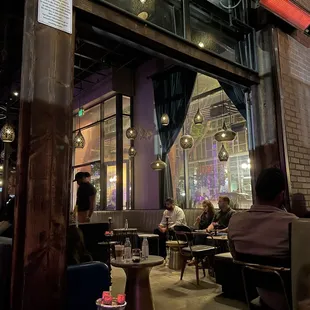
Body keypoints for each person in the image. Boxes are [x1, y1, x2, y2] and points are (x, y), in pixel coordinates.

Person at [228, 168, 298, 310]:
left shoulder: (235, 220)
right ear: (281, 195)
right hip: (293, 300)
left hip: (262, 295)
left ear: (256, 193)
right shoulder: (293, 223)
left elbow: (235, 256)